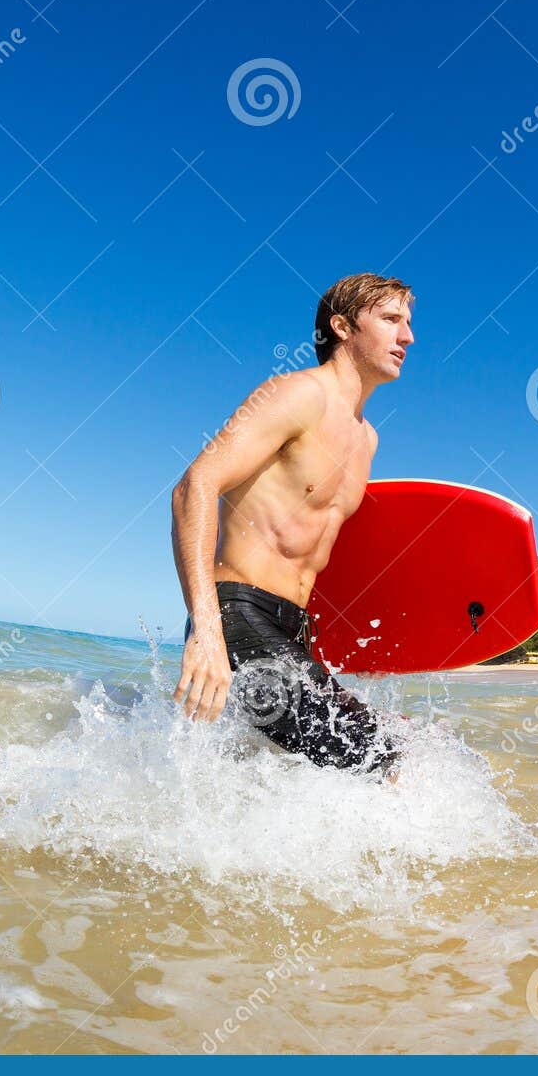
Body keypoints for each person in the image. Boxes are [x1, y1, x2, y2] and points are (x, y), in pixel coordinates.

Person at [170, 273, 414, 777]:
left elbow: (320, 555)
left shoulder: (367, 440)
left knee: (339, 760)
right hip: (237, 617)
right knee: (380, 757)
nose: (407, 337)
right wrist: (208, 630)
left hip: (294, 630)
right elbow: (194, 485)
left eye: (408, 323)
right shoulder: (297, 394)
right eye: (391, 320)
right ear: (343, 327)